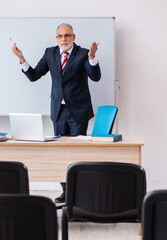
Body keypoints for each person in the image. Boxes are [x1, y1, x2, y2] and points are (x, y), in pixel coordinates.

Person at [12, 23, 101, 203]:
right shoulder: (50, 53)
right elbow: (34, 75)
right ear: (56, 38)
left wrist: (92, 58)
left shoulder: (83, 54)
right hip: (58, 111)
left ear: (74, 37)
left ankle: (80, 192)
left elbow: (95, 76)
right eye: (60, 36)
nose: (64, 39)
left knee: (77, 154)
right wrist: (22, 59)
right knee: (59, 153)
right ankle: (67, 191)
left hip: (78, 111)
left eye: (67, 36)